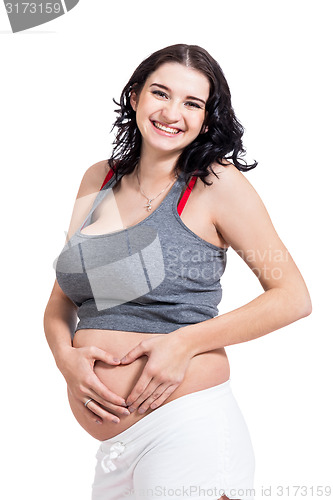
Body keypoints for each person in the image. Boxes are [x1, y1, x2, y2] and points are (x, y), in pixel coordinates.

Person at [43, 44, 312, 500]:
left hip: (190, 431)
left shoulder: (215, 184)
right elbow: (62, 301)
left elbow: (292, 296)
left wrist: (184, 342)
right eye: (160, 93)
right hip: (114, 452)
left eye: (192, 103)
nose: (172, 112)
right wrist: (65, 360)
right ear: (135, 96)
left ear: (206, 119)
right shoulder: (98, 179)